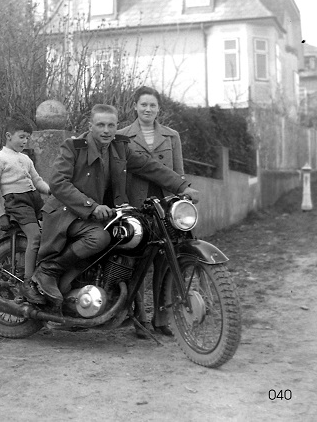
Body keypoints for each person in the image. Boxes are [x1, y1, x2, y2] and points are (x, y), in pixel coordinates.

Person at [30, 104, 199, 312]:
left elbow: (150, 167)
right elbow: (58, 183)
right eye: (100, 125)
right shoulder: (74, 147)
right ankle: (48, 271)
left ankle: (117, 301)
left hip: (100, 214)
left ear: (117, 126)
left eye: (111, 125)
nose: (106, 130)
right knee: (98, 238)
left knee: (135, 240)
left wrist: (183, 186)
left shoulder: (120, 148)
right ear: (90, 126)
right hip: (67, 214)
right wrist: (91, 206)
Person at [118, 86, 184, 338]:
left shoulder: (171, 136)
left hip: (165, 209)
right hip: (137, 209)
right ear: (134, 106)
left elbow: (178, 172)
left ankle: (161, 319)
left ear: (158, 109)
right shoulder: (122, 136)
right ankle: (140, 319)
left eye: (152, 105)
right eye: (143, 104)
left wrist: (180, 198)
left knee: (165, 263)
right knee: (137, 262)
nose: (147, 109)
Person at [0, 116, 50, 305]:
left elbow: (37, 181)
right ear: (8, 136)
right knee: (35, 237)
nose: (24, 141)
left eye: (27, 138)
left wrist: (51, 190)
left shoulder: (25, 159)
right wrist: (1, 214)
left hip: (33, 199)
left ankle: (45, 276)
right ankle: (28, 284)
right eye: (21, 137)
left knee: (54, 231)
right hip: (16, 202)